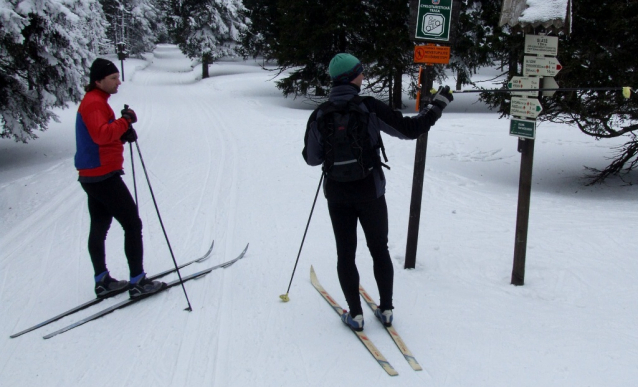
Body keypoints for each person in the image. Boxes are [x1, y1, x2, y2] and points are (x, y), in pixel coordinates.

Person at [302, 53, 453, 331]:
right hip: (370, 191)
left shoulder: (320, 114)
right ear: (351, 77)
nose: (363, 75)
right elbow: (411, 130)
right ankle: (385, 310)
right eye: (360, 71)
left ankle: (356, 315)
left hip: (337, 195)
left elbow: (312, 159)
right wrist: (437, 106)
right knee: (379, 249)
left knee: (345, 254)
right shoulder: (368, 108)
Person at [75, 58, 164, 299]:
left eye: (117, 77)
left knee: (100, 226)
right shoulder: (94, 103)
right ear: (98, 81)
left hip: (93, 173)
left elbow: (101, 137)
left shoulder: (97, 101)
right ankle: (138, 282)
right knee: (132, 224)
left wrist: (122, 135)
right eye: (113, 78)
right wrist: (125, 121)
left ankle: (102, 280)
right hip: (103, 175)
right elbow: (102, 135)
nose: (118, 81)